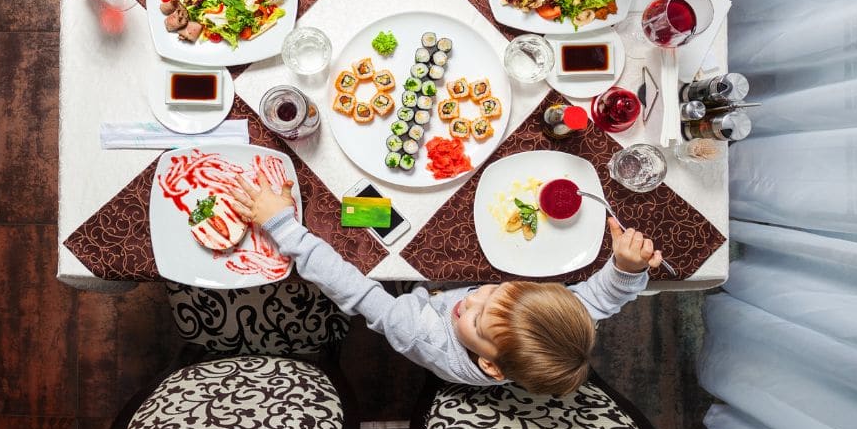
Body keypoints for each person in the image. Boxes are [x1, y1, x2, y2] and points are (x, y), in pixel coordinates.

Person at [230, 175, 663, 396]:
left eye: (475, 321)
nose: (471, 300)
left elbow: (356, 291)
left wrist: (284, 227)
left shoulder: (420, 334)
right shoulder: (558, 318)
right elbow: (602, 298)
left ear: (491, 367)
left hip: (414, 303)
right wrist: (626, 268)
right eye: (493, 292)